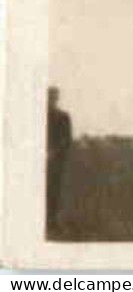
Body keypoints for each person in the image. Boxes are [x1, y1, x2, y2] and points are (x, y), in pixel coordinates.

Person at [46, 87, 72, 235]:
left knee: (53, 191)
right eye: (49, 96)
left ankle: (52, 223)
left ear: (57, 98)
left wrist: (53, 153)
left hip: (55, 162)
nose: (51, 99)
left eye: (54, 96)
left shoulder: (63, 117)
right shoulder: (37, 116)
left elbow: (66, 140)